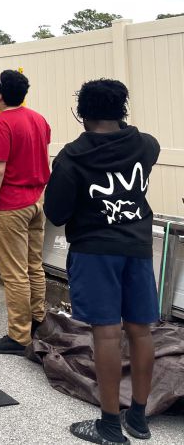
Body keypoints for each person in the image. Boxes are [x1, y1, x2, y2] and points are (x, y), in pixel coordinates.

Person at [44, 79, 159, 445]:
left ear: (82, 114)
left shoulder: (72, 157)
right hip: (137, 247)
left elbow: (57, 213)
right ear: (122, 110)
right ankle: (138, 419)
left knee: (106, 333)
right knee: (141, 330)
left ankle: (109, 425)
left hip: (95, 252)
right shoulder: (146, 146)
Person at [0, 70, 51, 355]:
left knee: (15, 273)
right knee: (34, 266)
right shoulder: (39, 120)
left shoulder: (1, 123)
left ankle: (19, 336)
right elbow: (42, 158)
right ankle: (38, 323)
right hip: (36, 203)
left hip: (11, 207)